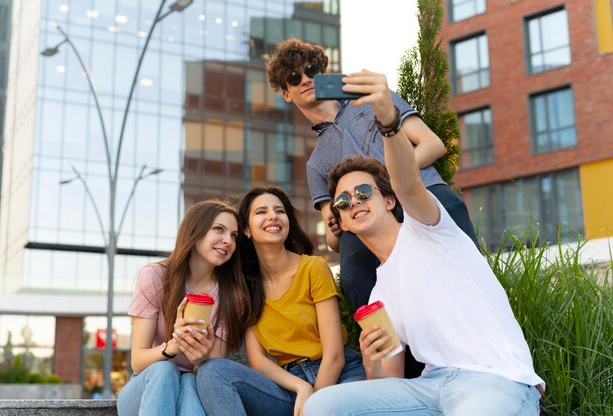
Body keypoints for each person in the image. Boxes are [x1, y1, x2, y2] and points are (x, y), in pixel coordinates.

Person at [302, 70, 544, 415]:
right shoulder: (377, 300)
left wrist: (388, 122)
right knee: (322, 406)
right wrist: (372, 361)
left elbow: (408, 182)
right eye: (342, 201)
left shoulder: (427, 228)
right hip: (430, 388)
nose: (353, 201)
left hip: (493, 380)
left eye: (364, 192)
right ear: (340, 221)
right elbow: (388, 383)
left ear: (388, 201)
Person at [266, 38, 479, 318]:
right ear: (287, 94)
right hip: (367, 218)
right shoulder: (316, 163)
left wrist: (386, 180)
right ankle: (394, 353)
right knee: (353, 274)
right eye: (294, 78)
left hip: (422, 191)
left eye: (312, 72)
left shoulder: (374, 101)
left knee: (464, 266)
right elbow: (332, 239)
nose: (305, 79)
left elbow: (433, 144)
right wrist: (336, 225)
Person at [197, 187, 365, 416]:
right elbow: (258, 361)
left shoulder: (313, 268)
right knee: (212, 372)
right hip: (289, 386)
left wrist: (313, 404)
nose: (273, 216)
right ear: (246, 229)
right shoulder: (247, 286)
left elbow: (334, 355)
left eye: (279, 211)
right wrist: (301, 387)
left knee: (335, 409)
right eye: (261, 212)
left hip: (340, 375)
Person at [117, 200, 250, 416]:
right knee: (165, 370)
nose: (228, 241)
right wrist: (174, 345)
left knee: (190, 382)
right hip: (146, 387)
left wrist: (200, 355)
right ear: (195, 231)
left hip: (193, 384)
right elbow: (138, 361)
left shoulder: (232, 294)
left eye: (234, 236)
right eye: (219, 229)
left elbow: (212, 372)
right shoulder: (155, 277)